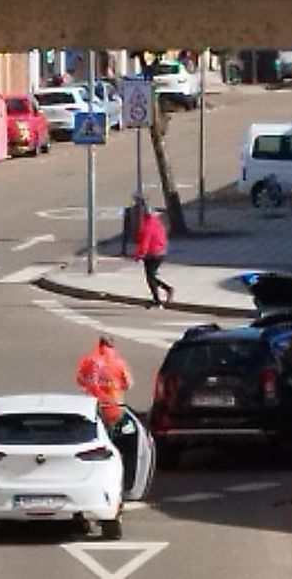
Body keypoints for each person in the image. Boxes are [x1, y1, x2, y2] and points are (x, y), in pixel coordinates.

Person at [76, 334, 137, 487]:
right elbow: (128, 384)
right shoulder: (119, 362)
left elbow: (80, 380)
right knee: (121, 441)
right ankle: (122, 478)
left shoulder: (89, 360)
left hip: (94, 408)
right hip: (114, 408)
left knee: (96, 442)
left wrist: (93, 386)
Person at [133, 203, 174, 308]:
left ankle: (158, 298)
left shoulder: (147, 225)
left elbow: (145, 242)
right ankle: (165, 291)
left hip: (152, 254)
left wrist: (139, 255)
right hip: (161, 252)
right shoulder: (157, 223)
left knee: (150, 278)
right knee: (151, 276)